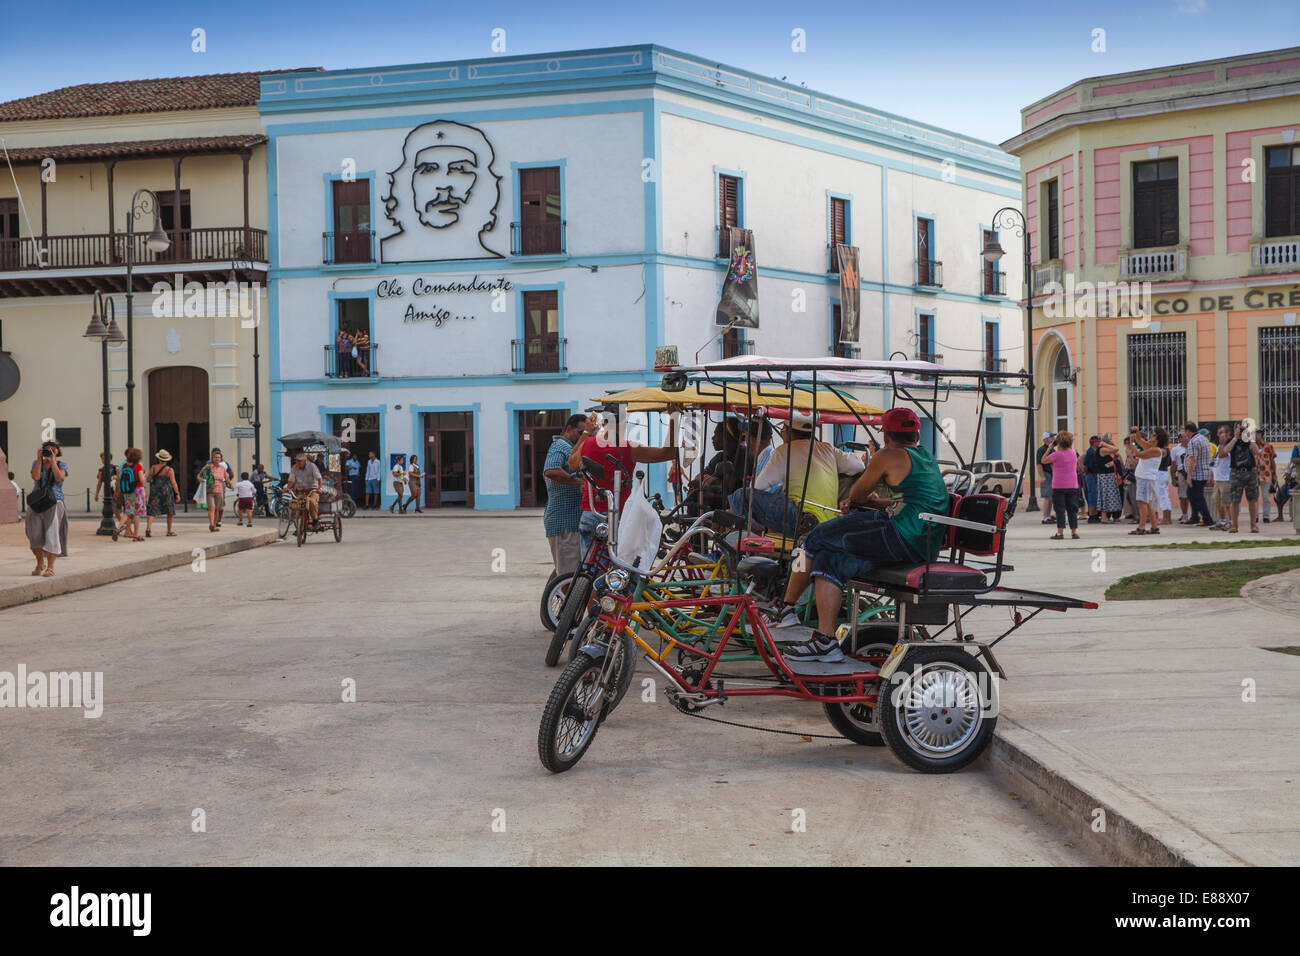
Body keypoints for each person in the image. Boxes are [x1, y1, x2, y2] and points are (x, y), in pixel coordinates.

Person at [763, 408, 948, 663]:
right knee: (829, 560)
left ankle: (784, 608)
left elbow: (859, 495)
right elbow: (911, 502)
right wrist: (877, 503)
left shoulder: (887, 455)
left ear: (886, 437)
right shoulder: (926, 456)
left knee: (815, 537)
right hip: (920, 541)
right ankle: (826, 641)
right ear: (916, 434)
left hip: (901, 534)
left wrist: (862, 501)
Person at [728, 410, 864, 537]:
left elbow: (758, 488)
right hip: (829, 519)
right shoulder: (828, 449)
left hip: (800, 517)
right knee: (780, 491)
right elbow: (859, 465)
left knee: (741, 495)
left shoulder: (783, 451)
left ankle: (746, 541)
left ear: (787, 431)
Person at [569, 411, 679, 558]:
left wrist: (586, 432)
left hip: (590, 513)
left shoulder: (587, 444)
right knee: (620, 569)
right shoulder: (628, 448)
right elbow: (668, 453)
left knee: (589, 570)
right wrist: (674, 419)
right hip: (619, 515)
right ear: (622, 424)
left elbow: (572, 463)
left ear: (604, 424)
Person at [542, 414, 586, 578]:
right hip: (564, 523)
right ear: (569, 429)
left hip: (573, 522)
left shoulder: (571, 448)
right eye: (580, 432)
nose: (583, 437)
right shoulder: (560, 446)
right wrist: (578, 482)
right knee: (567, 577)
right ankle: (567, 604)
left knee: (576, 575)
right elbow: (551, 470)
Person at [26, 441, 69, 576]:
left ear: (57, 451)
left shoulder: (62, 464)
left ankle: (50, 567)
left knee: (52, 534)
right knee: (34, 534)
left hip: (54, 501)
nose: (49, 451)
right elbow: (35, 476)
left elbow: (59, 477)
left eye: (52, 449)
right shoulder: (36, 463)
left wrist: (53, 461)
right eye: (46, 449)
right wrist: (39, 460)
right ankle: (40, 563)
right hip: (37, 502)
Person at [1222, 422, 1261, 533]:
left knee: (1252, 500)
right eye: (1239, 429)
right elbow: (1226, 451)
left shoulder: (1250, 440)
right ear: (1234, 430)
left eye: (1243, 429)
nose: (1241, 431)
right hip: (1236, 472)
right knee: (1234, 500)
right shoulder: (1231, 441)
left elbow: (1257, 451)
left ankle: (1253, 525)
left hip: (1250, 471)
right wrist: (1235, 437)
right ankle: (1234, 525)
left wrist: (1249, 437)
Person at [1043, 431, 1081, 539]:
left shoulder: (1055, 455)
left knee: (1060, 510)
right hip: (1073, 485)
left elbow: (1043, 460)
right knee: (1072, 509)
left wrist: (1050, 448)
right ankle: (1074, 532)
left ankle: (1060, 533)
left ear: (1057, 442)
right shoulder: (1073, 453)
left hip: (1059, 486)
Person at [1128, 427, 1166, 534]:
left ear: (1158, 439)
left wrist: (1132, 444)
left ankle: (1141, 527)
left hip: (1145, 479)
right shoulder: (1151, 447)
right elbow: (1140, 441)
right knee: (1148, 503)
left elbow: (1139, 455)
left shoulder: (1155, 450)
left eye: (1153, 435)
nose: (1151, 436)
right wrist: (1137, 432)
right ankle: (1154, 527)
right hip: (1145, 478)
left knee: (1142, 503)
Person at [1180, 424, 1215, 527]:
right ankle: (1195, 516)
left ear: (1188, 431)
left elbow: (1193, 459)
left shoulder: (1193, 441)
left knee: (1198, 497)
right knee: (1191, 494)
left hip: (1197, 474)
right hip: (1203, 472)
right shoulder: (1203, 439)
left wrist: (1189, 476)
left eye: (1185, 432)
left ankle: (1207, 519)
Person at [146, 449, 180, 537]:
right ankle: (169, 531)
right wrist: (177, 493)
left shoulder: (153, 467)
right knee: (169, 511)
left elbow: (148, 479)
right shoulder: (169, 470)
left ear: (159, 459)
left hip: (155, 491)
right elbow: (173, 482)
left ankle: (148, 529)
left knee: (152, 510)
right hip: (166, 491)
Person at [198, 448, 233, 532]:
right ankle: (211, 524)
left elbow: (227, 479)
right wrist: (200, 479)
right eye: (215, 457)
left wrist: (230, 485)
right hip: (210, 491)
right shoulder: (208, 467)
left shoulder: (222, 468)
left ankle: (214, 524)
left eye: (218, 457)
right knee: (212, 508)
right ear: (212, 458)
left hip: (220, 491)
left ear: (221, 459)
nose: (217, 459)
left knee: (217, 509)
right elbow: (199, 475)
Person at [118, 447, 147, 541]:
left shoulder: (124, 466)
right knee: (137, 513)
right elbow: (142, 480)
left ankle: (118, 528)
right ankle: (136, 535)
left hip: (128, 491)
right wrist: (144, 476)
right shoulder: (138, 466)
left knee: (128, 511)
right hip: (138, 490)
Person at [92, 452, 122, 538]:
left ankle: (122, 526)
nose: (103, 460)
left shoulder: (115, 468)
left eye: (105, 458)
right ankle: (121, 526)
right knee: (111, 511)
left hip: (116, 491)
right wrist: (96, 494)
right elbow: (99, 483)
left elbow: (119, 480)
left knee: (117, 511)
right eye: (102, 458)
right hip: (107, 492)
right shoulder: (101, 470)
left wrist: (117, 491)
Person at [288, 452, 323, 524]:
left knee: (312, 502)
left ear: (304, 461)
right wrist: (287, 488)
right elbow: (291, 480)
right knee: (297, 504)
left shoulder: (312, 466)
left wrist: (319, 488)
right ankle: (298, 527)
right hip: (301, 490)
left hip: (313, 490)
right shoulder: (294, 468)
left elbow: (319, 478)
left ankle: (315, 519)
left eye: (300, 461)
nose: (298, 463)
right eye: (297, 461)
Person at [1096, 433, 1123, 523]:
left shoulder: (1106, 449)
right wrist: (1104, 443)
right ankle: (1104, 517)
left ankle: (1105, 517)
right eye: (1111, 439)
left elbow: (1116, 453)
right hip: (1105, 476)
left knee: (1108, 496)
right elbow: (1116, 449)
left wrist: (1110, 444)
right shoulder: (1102, 449)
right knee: (1105, 496)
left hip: (1108, 475)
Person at [1210, 425, 1233, 530]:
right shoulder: (1219, 446)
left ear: (1228, 435)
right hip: (1218, 478)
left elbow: (1222, 455)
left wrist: (1223, 443)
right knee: (1218, 501)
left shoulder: (1229, 446)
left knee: (1227, 501)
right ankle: (1222, 521)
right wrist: (1212, 474)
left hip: (1226, 479)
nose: (1218, 435)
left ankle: (1232, 522)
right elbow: (1216, 461)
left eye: (1221, 433)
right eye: (1218, 433)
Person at [1256, 428, 1278, 524]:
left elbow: (1272, 460)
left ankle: (1266, 516)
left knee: (1266, 496)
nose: (1257, 435)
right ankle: (1255, 516)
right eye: (1255, 433)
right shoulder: (1250, 446)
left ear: (1262, 435)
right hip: (1254, 474)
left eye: (1259, 433)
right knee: (1254, 496)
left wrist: (1274, 473)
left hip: (1266, 473)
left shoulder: (1268, 446)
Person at [1082, 436, 1103, 522]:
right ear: (1094, 443)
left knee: (1096, 494)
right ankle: (1092, 515)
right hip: (1091, 476)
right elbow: (1085, 466)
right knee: (1092, 495)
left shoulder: (1096, 451)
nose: (1100, 443)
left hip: (1095, 475)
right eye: (1099, 441)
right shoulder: (1090, 452)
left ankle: (1095, 513)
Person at [1036, 431, 1055, 524]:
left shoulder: (1052, 449)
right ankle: (1045, 517)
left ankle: (1048, 515)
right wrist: (1042, 476)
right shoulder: (1041, 450)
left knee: (1051, 497)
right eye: (1051, 437)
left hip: (1053, 474)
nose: (1053, 438)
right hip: (1046, 473)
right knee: (1047, 497)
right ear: (1046, 439)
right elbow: (1039, 464)